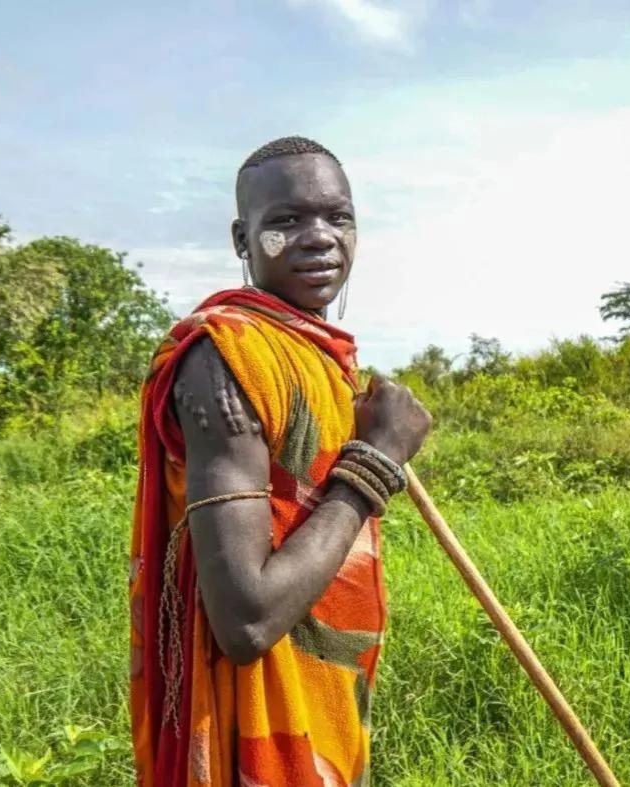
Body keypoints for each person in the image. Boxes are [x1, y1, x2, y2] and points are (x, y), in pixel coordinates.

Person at [130, 136, 432, 786]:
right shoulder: (225, 360)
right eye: (286, 221)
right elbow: (247, 617)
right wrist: (375, 463)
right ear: (243, 239)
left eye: (337, 216)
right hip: (255, 710)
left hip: (327, 688)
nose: (320, 237)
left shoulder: (319, 355)